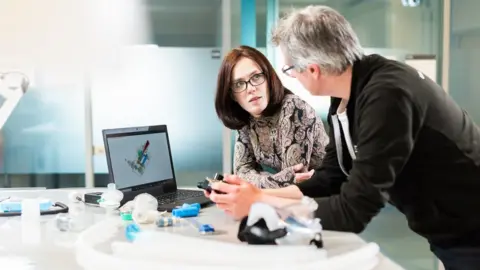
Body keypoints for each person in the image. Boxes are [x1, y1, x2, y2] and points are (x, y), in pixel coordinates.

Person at [207, 6, 480, 270]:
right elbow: (330, 177)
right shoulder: (348, 95)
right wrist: (258, 195)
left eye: (290, 70)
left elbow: (354, 210)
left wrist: (261, 202)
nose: (292, 78)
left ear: (312, 69)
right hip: (449, 232)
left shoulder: (386, 96)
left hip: (470, 230)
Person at [214, 45, 328, 189]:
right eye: (239, 84)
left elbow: (293, 180)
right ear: (232, 94)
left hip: (324, 198)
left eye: (256, 77)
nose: (251, 88)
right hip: (285, 202)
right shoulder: (246, 116)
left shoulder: (293, 107)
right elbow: (241, 171)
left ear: (269, 78)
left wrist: (253, 181)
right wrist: (271, 180)